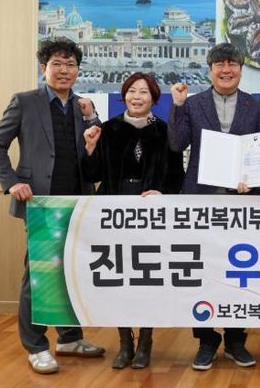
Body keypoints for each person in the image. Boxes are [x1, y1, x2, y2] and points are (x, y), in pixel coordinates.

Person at [0, 38, 105, 374]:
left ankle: (70, 338)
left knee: (73, 269)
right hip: (40, 202)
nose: (64, 70)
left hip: (78, 202)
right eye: (57, 64)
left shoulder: (84, 106)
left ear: (78, 70)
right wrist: (12, 182)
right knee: (37, 274)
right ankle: (36, 346)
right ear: (44, 68)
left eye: (70, 65)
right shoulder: (25, 101)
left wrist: (93, 120)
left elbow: (94, 155)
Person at [168, 42, 260, 371]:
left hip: (241, 202)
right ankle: (206, 339)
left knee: (240, 272)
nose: (226, 70)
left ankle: (236, 340)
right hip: (201, 200)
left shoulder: (256, 106)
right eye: (220, 64)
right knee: (202, 273)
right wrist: (177, 105)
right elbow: (176, 143)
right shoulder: (192, 104)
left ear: (241, 69)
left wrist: (252, 180)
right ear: (210, 70)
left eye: (232, 64)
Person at [81, 72, 184, 369]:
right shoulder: (109, 128)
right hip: (114, 210)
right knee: (119, 278)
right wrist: (90, 148)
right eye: (132, 91)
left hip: (150, 210)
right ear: (124, 95)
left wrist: (162, 193)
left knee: (146, 277)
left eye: (144, 92)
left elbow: (176, 174)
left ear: (154, 98)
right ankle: (125, 343)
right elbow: (92, 174)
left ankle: (146, 342)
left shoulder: (164, 130)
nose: (137, 97)